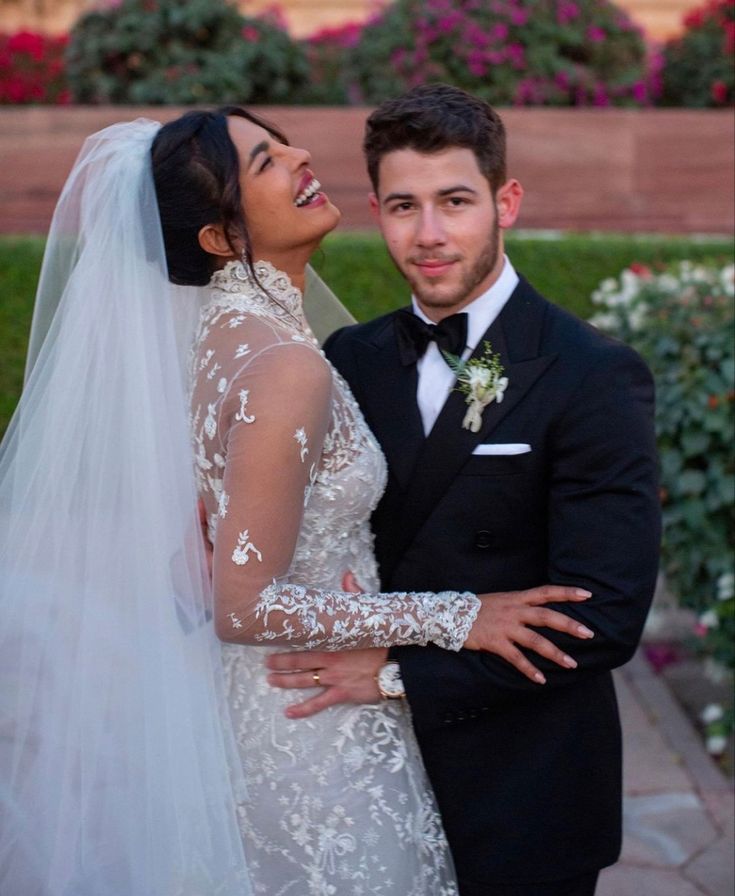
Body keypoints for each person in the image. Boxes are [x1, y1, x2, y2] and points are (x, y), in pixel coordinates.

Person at [0, 105, 593, 895]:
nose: (300, 156)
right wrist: (459, 616)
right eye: (266, 164)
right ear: (219, 237)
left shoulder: (219, 342)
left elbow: (195, 565)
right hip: (313, 727)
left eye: (282, 145)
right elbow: (241, 607)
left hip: (265, 707)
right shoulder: (285, 366)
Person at [266, 84, 661, 896]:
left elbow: (603, 616)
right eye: (404, 206)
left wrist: (388, 670)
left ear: (504, 201)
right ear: (375, 209)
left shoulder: (592, 373)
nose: (431, 234)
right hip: (363, 772)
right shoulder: (350, 356)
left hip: (523, 786)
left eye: (455, 201)